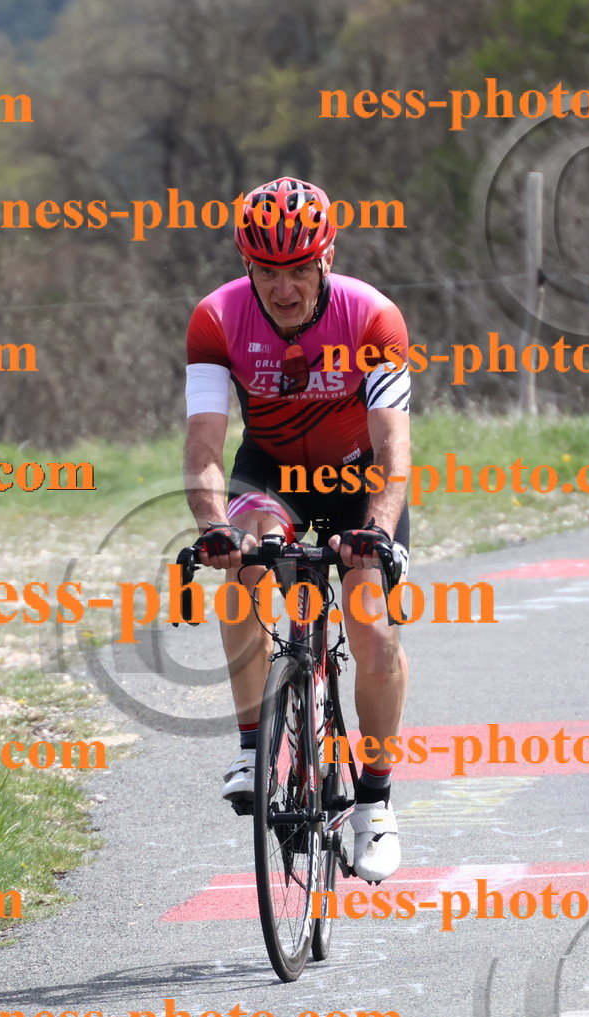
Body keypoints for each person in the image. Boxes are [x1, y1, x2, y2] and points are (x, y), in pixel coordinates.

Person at [182, 176, 411, 884]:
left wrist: (374, 527)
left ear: (327, 259)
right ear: (246, 265)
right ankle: (255, 743)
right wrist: (215, 526)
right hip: (270, 471)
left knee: (369, 622)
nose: (284, 290)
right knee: (242, 565)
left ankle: (374, 800)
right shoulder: (217, 319)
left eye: (299, 271)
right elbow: (206, 450)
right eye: (268, 273)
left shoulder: (372, 317)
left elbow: (392, 446)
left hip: (355, 477)